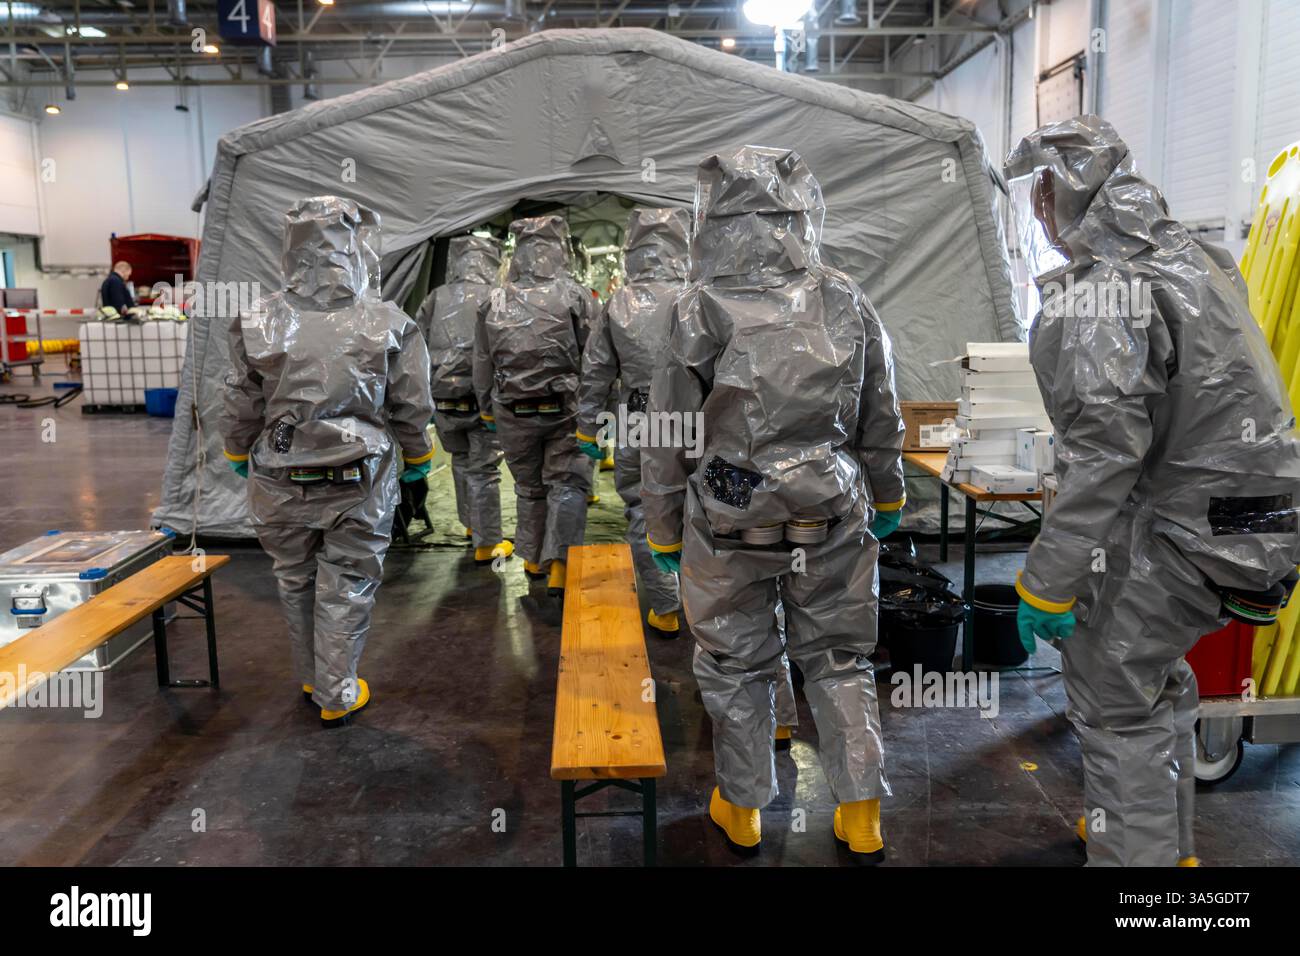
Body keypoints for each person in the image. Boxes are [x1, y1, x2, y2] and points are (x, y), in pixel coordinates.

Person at [1006, 116, 1300, 866]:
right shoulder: (1197, 259)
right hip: (1253, 527)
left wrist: (1046, 583)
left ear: (1058, 197)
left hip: (1180, 531)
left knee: (1113, 700)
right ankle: (1160, 847)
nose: (1038, 215)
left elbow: (1104, 452)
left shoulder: (1105, 294)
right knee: (1155, 682)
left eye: (1040, 198)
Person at [641, 146, 906, 861]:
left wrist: (662, 526)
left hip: (732, 521)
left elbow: (668, 431)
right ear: (802, 213)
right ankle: (861, 815)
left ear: (709, 219)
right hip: (831, 516)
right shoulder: (845, 298)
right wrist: (888, 492)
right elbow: (881, 411)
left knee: (736, 664)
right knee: (840, 660)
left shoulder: (693, 309)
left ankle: (745, 807)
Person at [220, 196, 434, 728]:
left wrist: (236, 448)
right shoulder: (386, 322)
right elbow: (411, 403)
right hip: (359, 477)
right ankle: (338, 691)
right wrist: (417, 454)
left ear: (289, 252)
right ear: (359, 250)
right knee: (348, 579)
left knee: (293, 576)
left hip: (279, 471)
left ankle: (315, 677)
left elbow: (239, 400)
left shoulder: (258, 320)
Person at [576, 206, 690, 637]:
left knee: (645, 508)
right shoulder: (700, 296)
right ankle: (712, 605)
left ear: (631, 250)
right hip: (693, 419)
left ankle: (666, 607)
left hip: (638, 419)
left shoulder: (617, 304)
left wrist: (589, 428)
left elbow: (597, 371)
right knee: (703, 506)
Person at [473, 214, 595, 595]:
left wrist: (486, 408)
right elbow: (594, 357)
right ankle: (560, 564)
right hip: (565, 407)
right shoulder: (575, 295)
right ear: (560, 250)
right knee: (566, 482)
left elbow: (482, 360)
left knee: (528, 487)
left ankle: (532, 559)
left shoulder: (493, 300)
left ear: (518, 252)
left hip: (513, 410)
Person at [416, 234, 512, 564]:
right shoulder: (496, 296)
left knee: (459, 459)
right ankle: (488, 544)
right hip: (481, 398)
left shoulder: (435, 297)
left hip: (443, 397)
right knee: (484, 469)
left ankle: (471, 526)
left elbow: (417, 344)